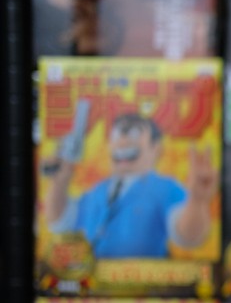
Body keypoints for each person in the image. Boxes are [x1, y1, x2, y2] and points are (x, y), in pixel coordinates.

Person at [43, 110, 215, 259]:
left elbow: (187, 237)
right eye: (117, 134)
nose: (123, 141)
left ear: (156, 148)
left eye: (134, 133)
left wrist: (197, 201)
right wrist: (58, 184)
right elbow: (61, 222)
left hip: (147, 281)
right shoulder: (98, 190)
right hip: (92, 280)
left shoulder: (165, 188)